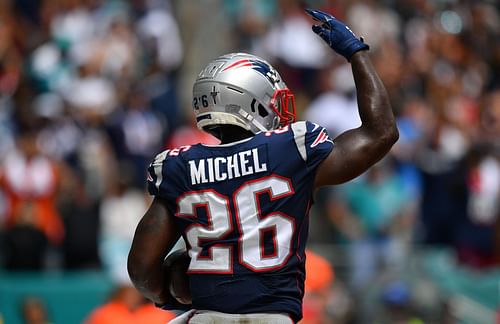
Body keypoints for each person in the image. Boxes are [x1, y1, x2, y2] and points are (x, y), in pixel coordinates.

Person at [128, 8, 398, 323]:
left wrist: (168, 294)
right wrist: (357, 53)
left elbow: (141, 267)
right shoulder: (291, 149)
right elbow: (381, 132)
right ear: (251, 101)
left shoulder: (180, 165)